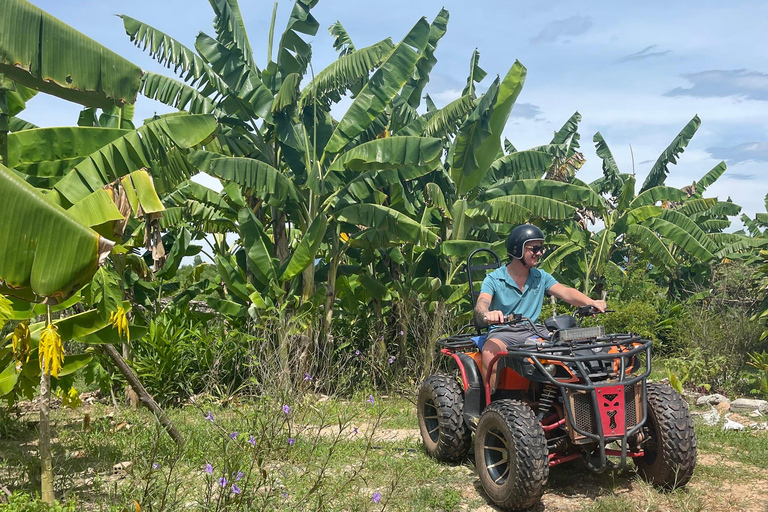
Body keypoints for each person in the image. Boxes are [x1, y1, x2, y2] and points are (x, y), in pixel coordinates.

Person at [474, 224, 607, 389]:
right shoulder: (494, 279)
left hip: (534, 331)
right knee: (490, 352)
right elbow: (482, 302)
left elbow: (565, 292)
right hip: (503, 333)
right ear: (517, 250)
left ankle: (572, 393)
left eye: (541, 248)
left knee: (569, 346)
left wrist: (591, 302)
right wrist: (488, 314)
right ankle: (490, 400)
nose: (539, 253)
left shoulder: (540, 276)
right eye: (534, 249)